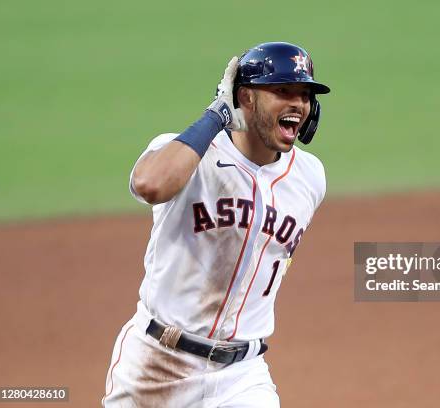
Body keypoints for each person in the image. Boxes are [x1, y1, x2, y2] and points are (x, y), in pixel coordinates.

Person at [102, 41, 330, 407]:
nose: (297, 104)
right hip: (158, 363)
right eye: (282, 91)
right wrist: (216, 115)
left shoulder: (310, 177)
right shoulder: (189, 155)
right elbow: (150, 185)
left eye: (304, 94)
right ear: (246, 98)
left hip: (242, 375)